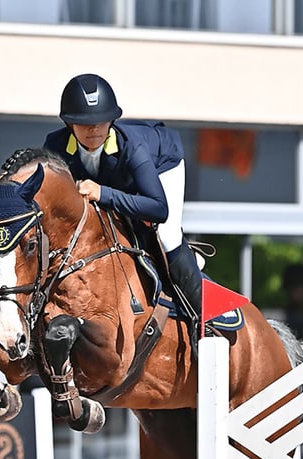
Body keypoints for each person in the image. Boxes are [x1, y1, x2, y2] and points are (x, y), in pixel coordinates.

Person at [43, 73, 203, 351]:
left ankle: (201, 322)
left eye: (101, 122)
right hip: (116, 182)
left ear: (112, 120)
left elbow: (158, 207)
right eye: (85, 123)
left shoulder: (132, 147)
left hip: (162, 165)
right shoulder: (55, 148)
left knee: (166, 235)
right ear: (70, 123)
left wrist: (103, 193)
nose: (94, 129)